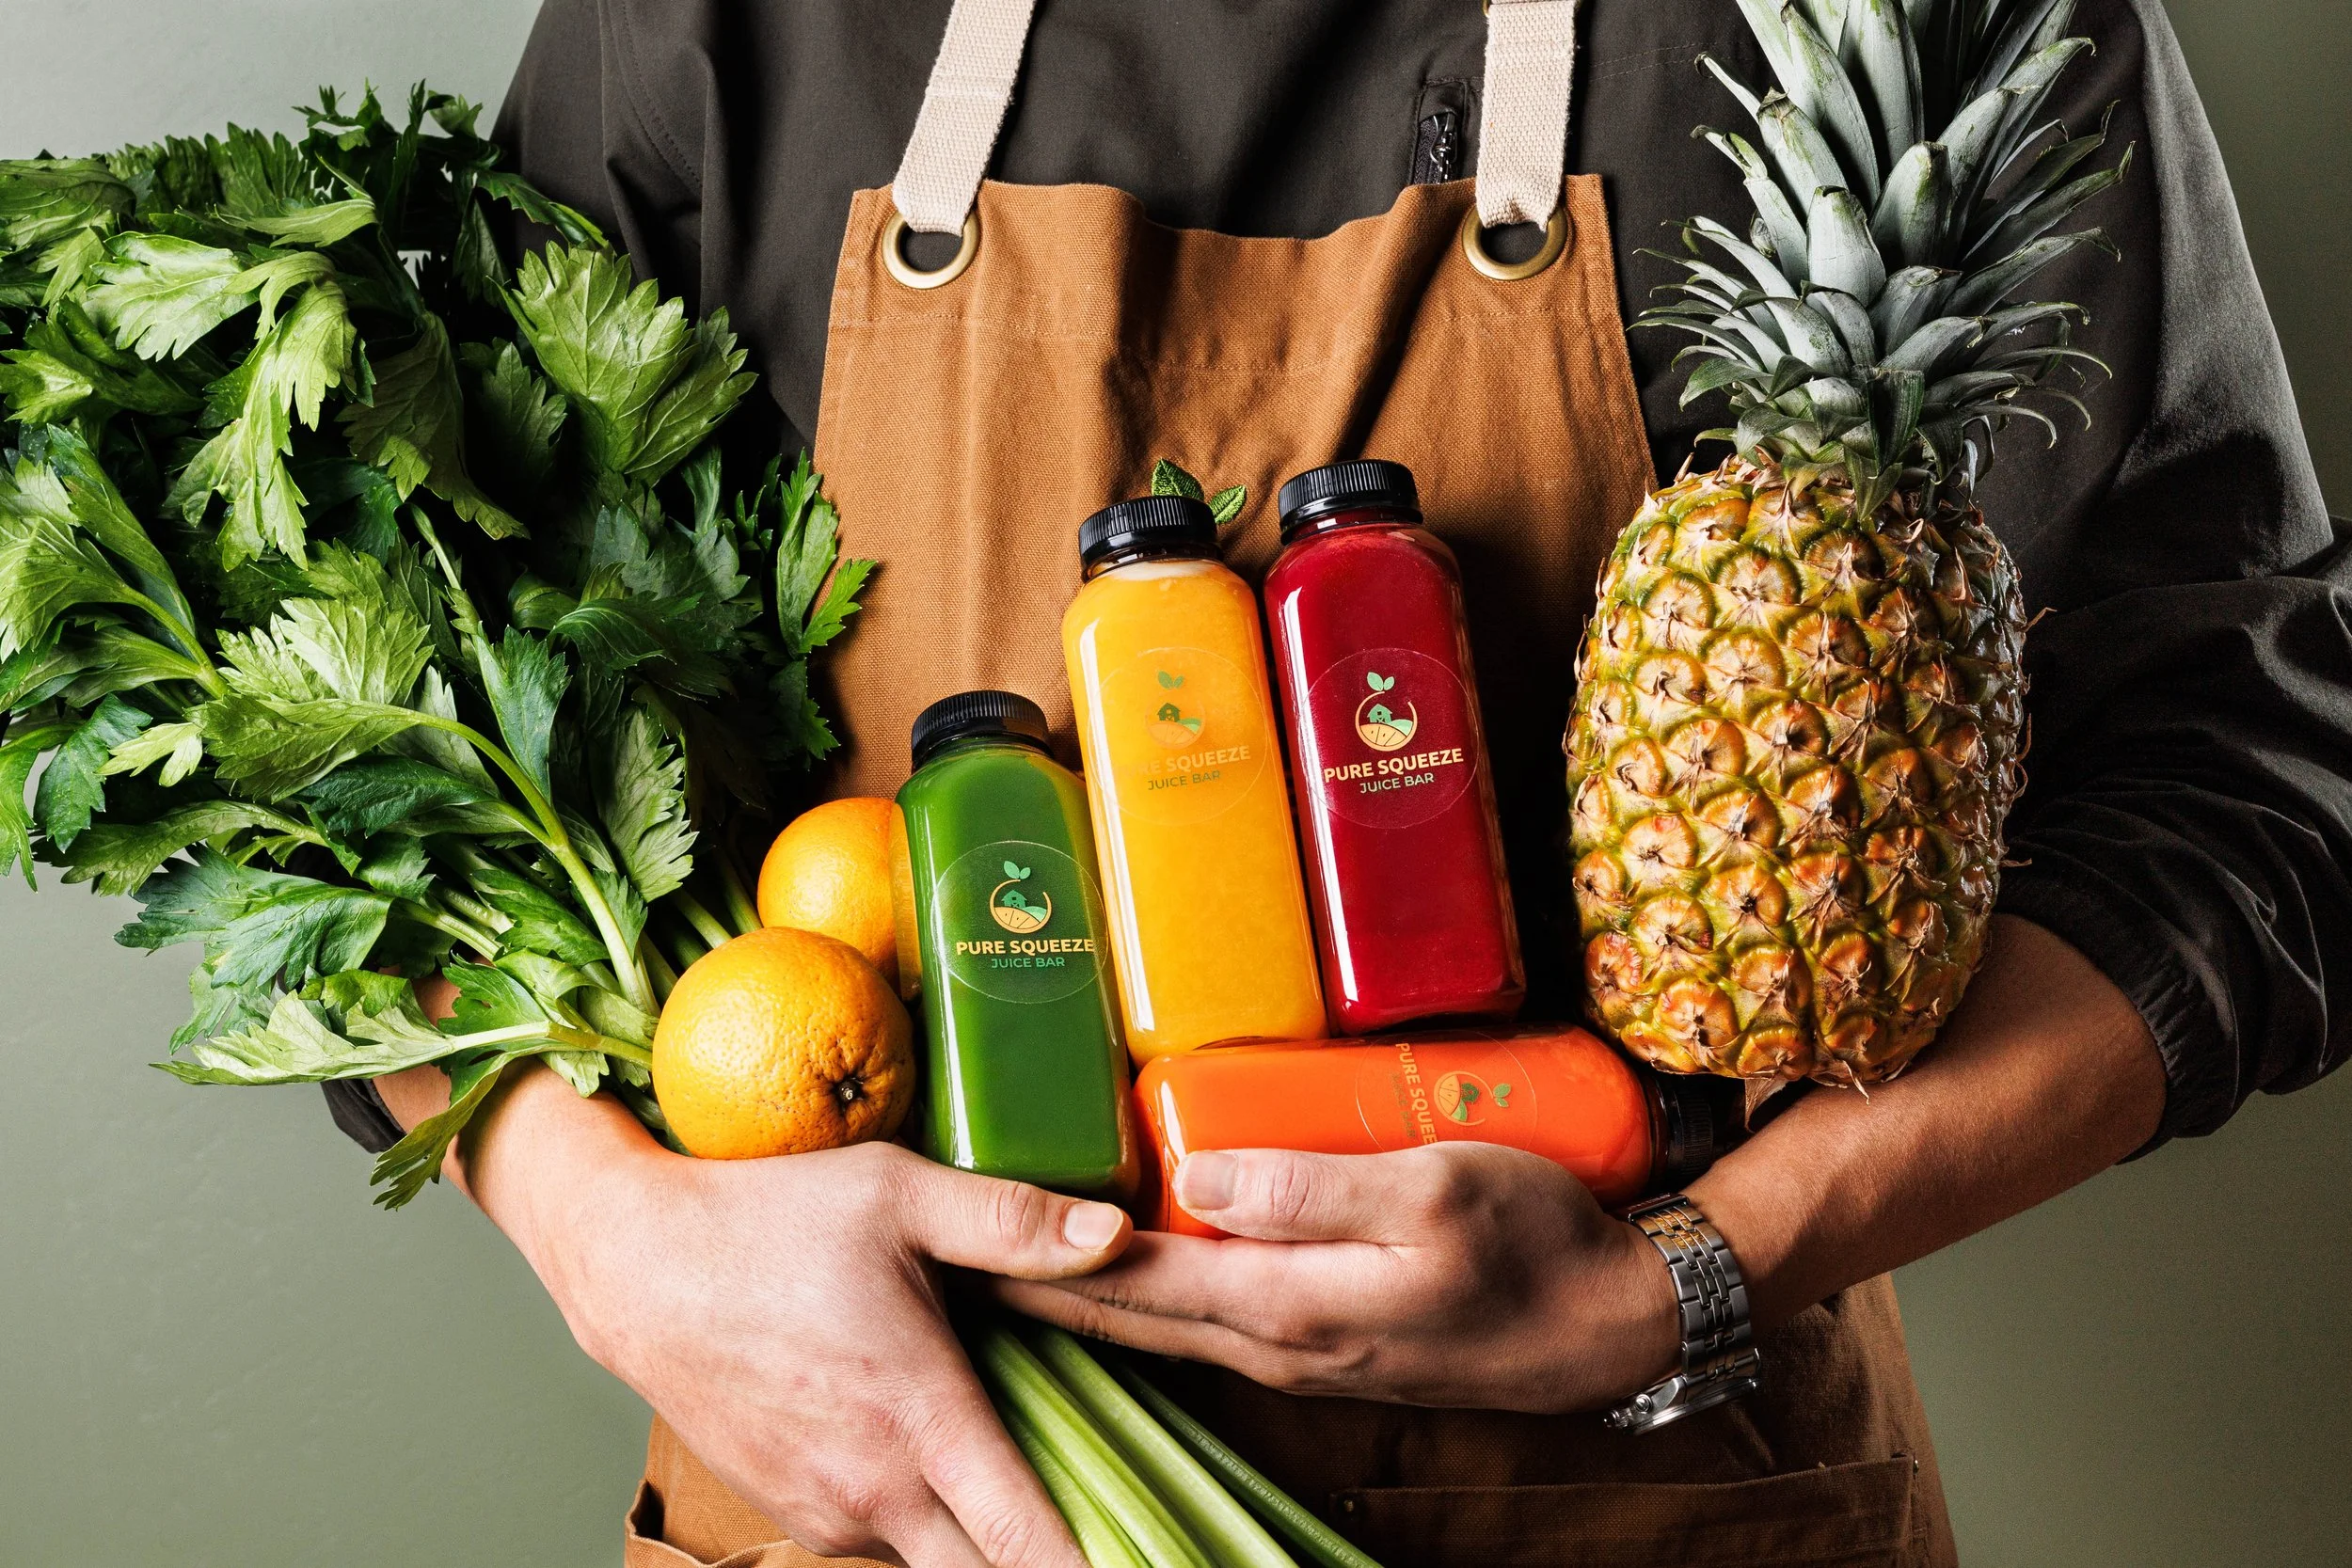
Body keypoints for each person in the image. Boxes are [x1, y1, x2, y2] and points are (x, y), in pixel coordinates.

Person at [329, 1, 2349, 1563]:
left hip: (1660, 1483)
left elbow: (2265, 768)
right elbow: (376, 693)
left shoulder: (1904, 21)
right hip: (895, 1488)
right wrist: (613, 1239)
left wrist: (1687, 1276)